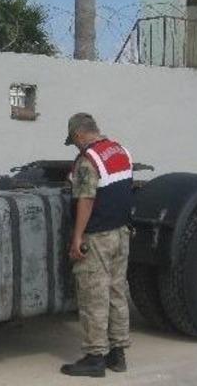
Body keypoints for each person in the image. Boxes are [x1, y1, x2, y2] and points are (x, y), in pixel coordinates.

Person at [60, 113, 133, 378]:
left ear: (79, 134)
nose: (76, 146)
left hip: (97, 237)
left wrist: (77, 237)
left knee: (93, 296)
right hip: (121, 233)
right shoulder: (120, 150)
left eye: (74, 141)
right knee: (116, 293)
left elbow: (87, 199)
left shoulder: (88, 159)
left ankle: (95, 358)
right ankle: (118, 354)